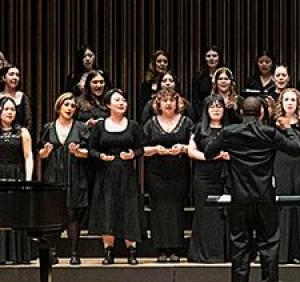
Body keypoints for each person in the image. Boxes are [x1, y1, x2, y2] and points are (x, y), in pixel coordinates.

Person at [203, 97, 300, 282]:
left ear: (241, 111)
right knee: (270, 246)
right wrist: (288, 129)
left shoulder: (230, 132)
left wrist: (227, 151)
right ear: (261, 112)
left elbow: (209, 152)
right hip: (265, 198)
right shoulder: (269, 133)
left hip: (239, 199)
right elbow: (296, 149)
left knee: (239, 247)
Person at [86, 89, 145, 265]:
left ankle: (132, 251)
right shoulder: (100, 126)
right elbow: (91, 149)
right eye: (117, 100)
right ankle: (108, 251)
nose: (122, 103)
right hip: (106, 174)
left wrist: (133, 154)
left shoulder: (133, 125)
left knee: (129, 210)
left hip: (127, 174)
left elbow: (142, 147)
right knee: (107, 210)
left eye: (124, 100)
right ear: (108, 105)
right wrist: (100, 156)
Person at [142, 87, 194, 263]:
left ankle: (175, 248)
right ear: (159, 103)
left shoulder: (186, 122)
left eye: (172, 100)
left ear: (177, 102)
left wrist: (183, 149)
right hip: (156, 173)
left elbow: (195, 147)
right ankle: (161, 249)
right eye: (165, 100)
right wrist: (156, 149)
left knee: (176, 209)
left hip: (179, 172)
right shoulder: (150, 123)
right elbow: (141, 149)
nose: (169, 103)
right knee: (159, 209)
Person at [0, 96, 35, 265]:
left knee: (17, 213)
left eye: (13, 109)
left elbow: (28, 156)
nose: (10, 112)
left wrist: (27, 180)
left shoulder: (22, 132)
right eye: (7, 109)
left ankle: (19, 254)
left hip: (16, 174)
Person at [38, 93, 91, 265]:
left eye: (72, 106)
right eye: (66, 105)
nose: (69, 108)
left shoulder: (81, 127)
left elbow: (88, 153)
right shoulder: (48, 127)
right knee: (54, 215)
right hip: (53, 176)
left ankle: (74, 253)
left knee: (72, 214)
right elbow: (41, 153)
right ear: (59, 106)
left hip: (75, 175)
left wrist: (78, 152)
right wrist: (45, 153)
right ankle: (52, 252)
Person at [272, 88, 300, 264]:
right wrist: (271, 175)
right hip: (280, 169)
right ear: (281, 103)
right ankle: (282, 254)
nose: (290, 103)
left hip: (299, 169)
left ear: (298, 102)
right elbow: (270, 150)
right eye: (286, 100)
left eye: (293, 100)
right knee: (282, 209)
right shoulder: (274, 123)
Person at [187, 95, 231, 264]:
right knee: (205, 215)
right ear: (206, 110)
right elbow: (191, 151)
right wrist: (210, 157)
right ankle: (204, 254)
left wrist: (229, 155)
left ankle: (223, 253)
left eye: (219, 106)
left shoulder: (231, 128)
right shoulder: (198, 128)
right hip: (204, 177)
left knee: (223, 214)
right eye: (212, 106)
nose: (216, 109)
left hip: (225, 177)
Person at [0, 64, 34, 135]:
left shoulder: (24, 97)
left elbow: (28, 124)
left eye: (17, 75)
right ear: (3, 78)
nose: (15, 77)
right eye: (11, 74)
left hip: (21, 138)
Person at [191, 46, 223, 117]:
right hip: (203, 114)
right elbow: (196, 101)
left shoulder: (225, 75)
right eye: (208, 56)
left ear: (219, 58)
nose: (211, 58)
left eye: (214, 56)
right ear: (205, 58)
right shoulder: (198, 77)